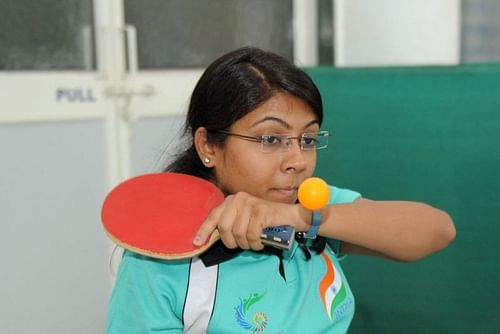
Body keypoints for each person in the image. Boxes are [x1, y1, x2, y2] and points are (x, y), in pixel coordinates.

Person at [105, 47, 456, 333]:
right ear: (208, 146)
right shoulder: (156, 262)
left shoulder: (306, 205)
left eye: (307, 139)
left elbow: (437, 230)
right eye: (270, 139)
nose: (297, 160)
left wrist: (299, 217)